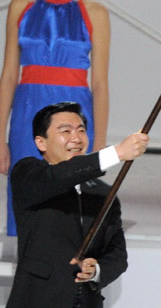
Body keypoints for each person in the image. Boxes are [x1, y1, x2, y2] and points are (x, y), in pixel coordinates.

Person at [6, 102, 149, 308]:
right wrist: (116, 152)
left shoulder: (102, 192)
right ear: (41, 143)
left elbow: (116, 254)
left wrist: (96, 270)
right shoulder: (28, 174)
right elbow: (60, 176)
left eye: (81, 130)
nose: (76, 138)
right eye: (66, 131)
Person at [0, 0, 110, 236]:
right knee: (29, 192)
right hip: (27, 116)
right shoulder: (20, 6)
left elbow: (99, 83)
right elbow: (9, 76)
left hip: (74, 115)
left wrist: (99, 145)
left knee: (71, 202)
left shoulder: (95, 12)